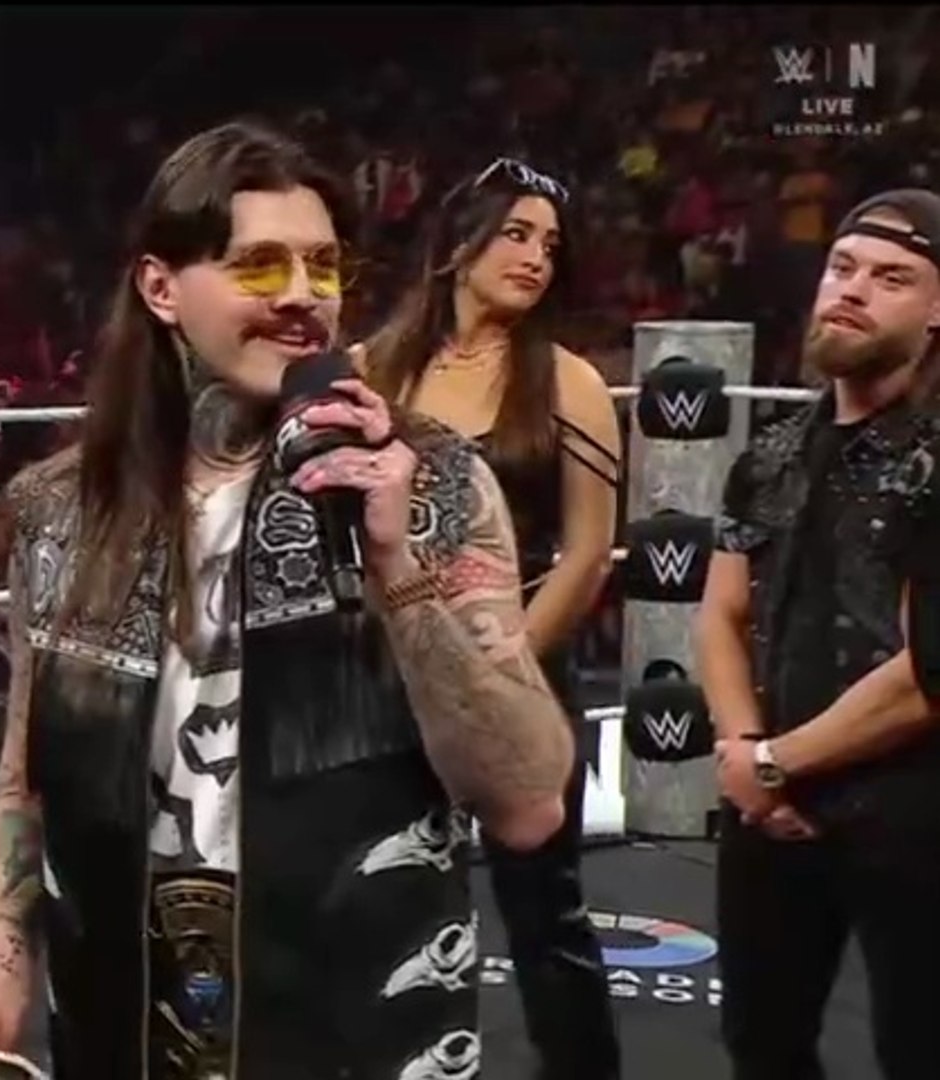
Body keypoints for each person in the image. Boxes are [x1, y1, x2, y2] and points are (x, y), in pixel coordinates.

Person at [0, 120, 575, 1080]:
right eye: (260, 266)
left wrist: (399, 570)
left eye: (322, 266)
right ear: (161, 288)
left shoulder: (429, 479)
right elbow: (25, 782)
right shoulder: (62, 510)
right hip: (121, 1030)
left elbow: (529, 805)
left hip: (358, 1038)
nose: (303, 295)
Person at [361, 158, 623, 1080]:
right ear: (456, 244)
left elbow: (588, 553)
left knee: (544, 912)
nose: (537, 256)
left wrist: (494, 671)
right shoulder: (373, 370)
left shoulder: (568, 382)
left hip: (519, 672)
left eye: (551, 243)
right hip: (386, 678)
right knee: (385, 905)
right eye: (516, 233)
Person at [694, 189, 940, 1080]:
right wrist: (745, 753)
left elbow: (927, 674)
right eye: (842, 268)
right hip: (772, 807)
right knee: (762, 1046)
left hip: (913, 813)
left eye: (892, 278)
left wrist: (772, 764)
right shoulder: (773, 449)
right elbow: (722, 613)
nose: (853, 290)